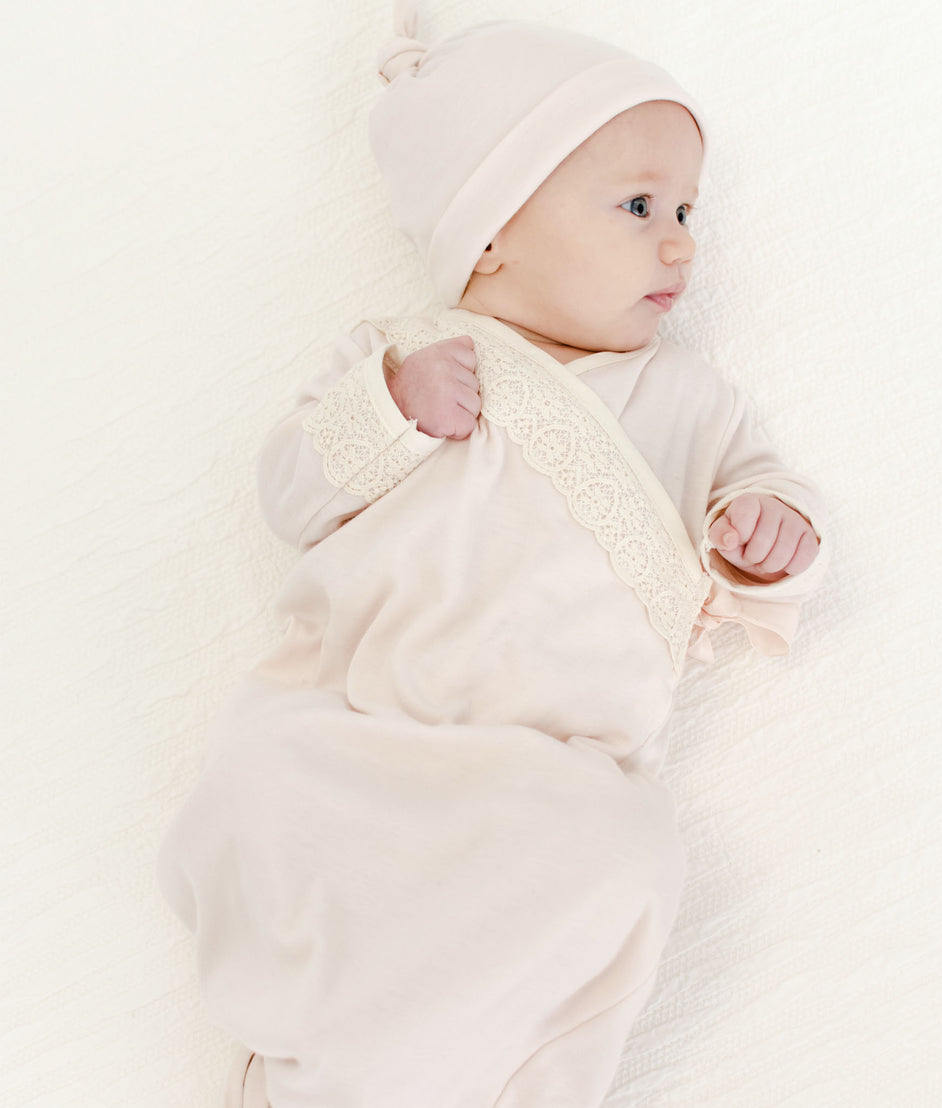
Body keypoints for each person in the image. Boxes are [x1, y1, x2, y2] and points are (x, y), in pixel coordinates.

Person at [158, 10, 827, 1108]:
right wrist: (393, 412)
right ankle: (326, 1056)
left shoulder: (691, 403)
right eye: (639, 206)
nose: (680, 244)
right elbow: (288, 491)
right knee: (265, 795)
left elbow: (764, 495)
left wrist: (767, 534)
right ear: (492, 228)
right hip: (361, 730)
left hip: (546, 776)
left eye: (688, 213)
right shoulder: (408, 355)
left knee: (624, 856)